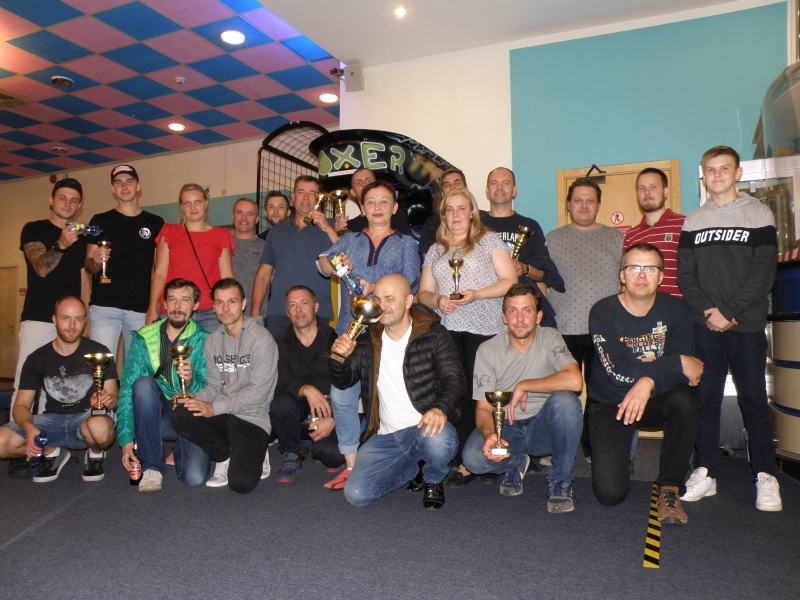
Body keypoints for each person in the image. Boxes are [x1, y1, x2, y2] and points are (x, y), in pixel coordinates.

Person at [677, 146, 782, 512]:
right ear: (703, 175)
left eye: (724, 168)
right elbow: (685, 276)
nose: (717, 174)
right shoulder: (693, 221)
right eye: (710, 169)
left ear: (737, 173)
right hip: (704, 325)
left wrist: (730, 311)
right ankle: (705, 470)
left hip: (746, 325)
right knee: (705, 400)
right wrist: (711, 312)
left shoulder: (759, 213)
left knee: (753, 399)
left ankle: (766, 475)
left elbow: (763, 273)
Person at [316, 179, 421, 489]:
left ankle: (401, 459)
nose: (377, 207)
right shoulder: (348, 240)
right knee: (341, 397)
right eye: (371, 202)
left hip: (388, 336)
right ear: (362, 208)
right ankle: (351, 466)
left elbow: (410, 281)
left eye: (384, 201)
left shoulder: (406, 244)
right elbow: (321, 264)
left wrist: (373, 286)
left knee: (389, 401)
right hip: (349, 332)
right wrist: (335, 263)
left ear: (395, 207)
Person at [329, 275, 466, 509]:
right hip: (386, 436)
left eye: (390, 299)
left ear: (409, 301)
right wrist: (338, 358)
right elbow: (344, 382)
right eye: (377, 299)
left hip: (426, 427)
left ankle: (433, 479)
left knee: (439, 441)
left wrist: (440, 408)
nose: (382, 306)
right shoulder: (367, 340)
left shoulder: (434, 334)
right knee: (356, 494)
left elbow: (455, 379)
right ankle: (412, 469)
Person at [588, 244, 702, 524]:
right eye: (634, 268)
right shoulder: (602, 311)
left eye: (650, 268)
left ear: (661, 276)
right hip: (611, 402)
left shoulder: (677, 310)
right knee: (610, 495)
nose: (642, 275)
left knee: (685, 399)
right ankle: (620, 455)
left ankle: (670, 487)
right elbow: (617, 373)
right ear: (622, 275)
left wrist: (648, 381)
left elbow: (687, 372)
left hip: (657, 398)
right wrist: (669, 366)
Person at [418, 188, 517, 487]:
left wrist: (477, 295)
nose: (456, 214)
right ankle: (457, 454)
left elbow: (510, 281)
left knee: (480, 394)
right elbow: (423, 293)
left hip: (485, 328)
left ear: (472, 212)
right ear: (443, 215)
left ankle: (476, 459)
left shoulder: (489, 240)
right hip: (448, 329)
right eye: (449, 210)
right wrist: (438, 300)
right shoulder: (436, 249)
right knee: (454, 392)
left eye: (461, 208)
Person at [463, 284, 583, 512]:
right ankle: (516, 462)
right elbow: (483, 408)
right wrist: (489, 435)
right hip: (507, 429)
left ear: (538, 316)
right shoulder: (487, 350)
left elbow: (576, 381)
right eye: (513, 311)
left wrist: (525, 385)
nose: (519, 318)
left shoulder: (550, 337)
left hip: (543, 428)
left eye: (527, 310)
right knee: (473, 459)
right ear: (504, 317)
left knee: (566, 401)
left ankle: (560, 480)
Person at [171, 279, 277, 494]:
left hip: (252, 417)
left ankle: (260, 450)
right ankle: (224, 456)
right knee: (181, 413)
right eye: (219, 303)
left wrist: (213, 408)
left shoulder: (261, 340)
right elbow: (213, 387)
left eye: (232, 302)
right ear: (213, 306)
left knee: (241, 484)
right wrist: (194, 397)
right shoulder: (212, 341)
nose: (225, 309)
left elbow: (258, 394)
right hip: (223, 414)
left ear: (243, 304)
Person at [546, 178, 624, 459]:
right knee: (561, 395)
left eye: (590, 200)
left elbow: (626, 282)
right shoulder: (552, 239)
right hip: (562, 329)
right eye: (578, 200)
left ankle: (594, 451)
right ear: (568, 205)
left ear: (599, 205)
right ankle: (554, 449)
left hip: (604, 331)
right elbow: (542, 281)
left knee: (600, 395)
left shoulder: (616, 238)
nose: (584, 205)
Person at [0, 296, 118, 483]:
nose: (72, 325)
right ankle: (52, 451)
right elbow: (21, 405)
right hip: (51, 421)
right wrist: (30, 429)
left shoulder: (99, 352)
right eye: (65, 318)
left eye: (78, 319)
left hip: (85, 419)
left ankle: (96, 454)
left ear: (85, 321)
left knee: (101, 427)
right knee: (1, 443)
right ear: (54, 320)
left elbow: (113, 395)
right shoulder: (37, 358)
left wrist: (105, 401)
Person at [117, 278, 210, 492]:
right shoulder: (144, 337)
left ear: (195, 305)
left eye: (185, 300)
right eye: (172, 299)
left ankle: (180, 450)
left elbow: (211, 389)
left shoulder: (205, 340)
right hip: (158, 416)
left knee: (194, 478)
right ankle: (152, 467)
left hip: (191, 415)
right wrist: (126, 438)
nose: (177, 306)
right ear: (164, 304)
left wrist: (190, 384)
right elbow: (127, 389)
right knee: (142, 385)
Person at [12, 178, 90, 427]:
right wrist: (61, 244)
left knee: (57, 387)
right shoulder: (34, 229)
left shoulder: (81, 238)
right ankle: (18, 439)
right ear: (51, 200)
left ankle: (50, 443)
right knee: (24, 383)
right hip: (38, 318)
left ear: (79, 205)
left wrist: (85, 320)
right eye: (62, 198)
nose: (68, 204)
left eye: (74, 200)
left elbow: (83, 281)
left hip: (69, 324)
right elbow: (41, 268)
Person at [85, 165, 165, 358]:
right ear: (113, 189)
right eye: (118, 182)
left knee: (137, 368)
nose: (124, 186)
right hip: (104, 306)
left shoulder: (155, 223)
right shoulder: (100, 220)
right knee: (102, 367)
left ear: (138, 185)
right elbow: (89, 266)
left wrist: (154, 306)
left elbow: (159, 270)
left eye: (129, 181)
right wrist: (95, 260)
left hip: (140, 309)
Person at [270, 285, 344, 482]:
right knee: (280, 403)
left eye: (304, 303)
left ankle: (315, 445)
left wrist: (335, 419)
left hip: (330, 409)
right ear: (287, 312)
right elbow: (282, 378)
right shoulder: (278, 342)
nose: (299, 310)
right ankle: (291, 453)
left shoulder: (335, 339)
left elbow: (348, 385)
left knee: (333, 458)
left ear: (316, 307)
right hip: (297, 409)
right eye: (292, 305)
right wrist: (307, 389)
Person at [251, 176, 339, 337]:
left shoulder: (331, 226)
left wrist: (328, 228)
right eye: (301, 192)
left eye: (312, 193)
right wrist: (255, 313)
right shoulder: (276, 231)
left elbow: (347, 259)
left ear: (319, 199)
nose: (306, 198)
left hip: (317, 313)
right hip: (279, 313)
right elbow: (263, 275)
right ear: (293, 197)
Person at [480, 167, 564, 328]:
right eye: (494, 183)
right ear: (487, 190)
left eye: (505, 183)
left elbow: (544, 276)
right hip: (485, 310)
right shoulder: (475, 227)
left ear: (514, 190)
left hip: (521, 312)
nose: (499, 188)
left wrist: (525, 269)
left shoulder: (530, 226)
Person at [146, 184, 234, 333]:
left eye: (197, 202)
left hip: (210, 311)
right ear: (181, 207)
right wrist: (152, 307)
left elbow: (226, 276)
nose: (193, 207)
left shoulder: (221, 235)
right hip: (175, 309)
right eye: (187, 203)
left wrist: (231, 306)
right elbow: (160, 274)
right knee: (173, 349)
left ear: (206, 203)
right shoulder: (169, 232)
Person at [623, 168, 685, 298]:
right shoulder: (631, 236)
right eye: (642, 188)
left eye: (653, 187)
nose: (647, 192)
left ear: (665, 192)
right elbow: (625, 283)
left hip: (678, 307)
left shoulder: (685, 225)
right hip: (640, 309)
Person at [231, 197, 268, 321]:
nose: (244, 218)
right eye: (239, 212)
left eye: (249, 214)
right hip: (225, 316)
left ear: (257, 219)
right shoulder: (222, 246)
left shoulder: (266, 247)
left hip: (257, 317)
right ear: (233, 216)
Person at [345, 168, 411, 235]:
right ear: (353, 192)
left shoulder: (398, 216)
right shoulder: (350, 226)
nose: (364, 184)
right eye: (359, 182)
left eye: (368, 180)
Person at [419, 168, 467, 256]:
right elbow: (427, 260)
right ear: (442, 193)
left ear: (466, 189)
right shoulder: (431, 224)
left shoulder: (481, 219)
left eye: (457, 183)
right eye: (447, 185)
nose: (452, 187)